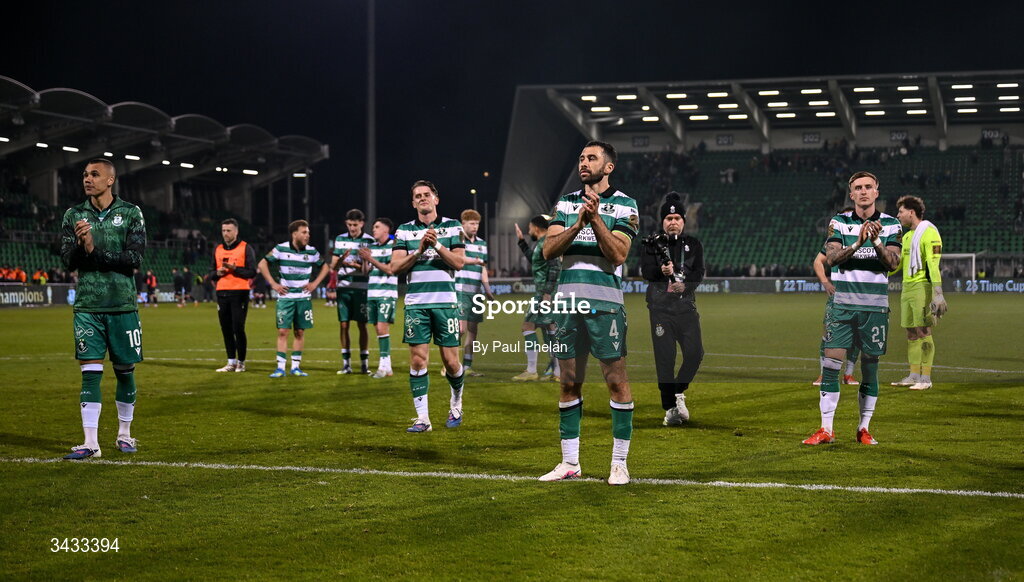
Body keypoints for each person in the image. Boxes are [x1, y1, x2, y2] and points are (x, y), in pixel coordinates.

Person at [539, 140, 639, 485]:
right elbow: (548, 250)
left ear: (608, 167)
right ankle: (570, 463)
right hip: (567, 304)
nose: (584, 162)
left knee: (616, 381)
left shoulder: (625, 205)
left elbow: (619, 255)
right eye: (581, 157)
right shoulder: (566, 203)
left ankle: (619, 464)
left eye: (591, 158)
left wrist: (595, 219)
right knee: (568, 383)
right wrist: (577, 221)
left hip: (606, 304)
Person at [804, 171, 901, 446]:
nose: (863, 191)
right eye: (858, 187)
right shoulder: (839, 222)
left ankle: (863, 429)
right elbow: (832, 259)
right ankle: (826, 429)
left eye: (868, 187)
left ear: (877, 192)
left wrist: (877, 242)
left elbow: (892, 263)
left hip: (875, 309)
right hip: (842, 307)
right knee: (831, 365)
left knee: (870, 369)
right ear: (851, 193)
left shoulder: (892, 225)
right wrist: (858, 242)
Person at [58, 158, 146, 459]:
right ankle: (91, 443)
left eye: (94, 174)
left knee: (124, 372)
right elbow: (67, 260)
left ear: (111, 180)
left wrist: (95, 249)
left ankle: (125, 434)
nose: (87, 179)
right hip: (88, 306)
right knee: (90, 373)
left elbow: (134, 259)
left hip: (122, 305)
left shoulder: (131, 213)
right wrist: (82, 246)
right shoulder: (74, 215)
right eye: (84, 174)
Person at [390, 180, 467, 432]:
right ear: (413, 202)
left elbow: (458, 262)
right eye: (417, 196)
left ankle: (456, 402)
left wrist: (436, 245)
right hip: (416, 305)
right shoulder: (403, 231)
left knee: (451, 362)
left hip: (445, 304)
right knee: (418, 360)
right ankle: (423, 419)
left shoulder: (452, 226)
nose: (422, 198)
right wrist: (419, 250)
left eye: (427, 194)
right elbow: (395, 267)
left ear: (436, 199)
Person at [639, 192, 705, 427]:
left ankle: (678, 392)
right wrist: (661, 273)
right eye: (669, 218)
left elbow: (698, 273)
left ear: (684, 221)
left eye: (677, 217)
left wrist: (685, 286)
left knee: (695, 354)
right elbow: (646, 272)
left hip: (686, 309)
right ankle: (670, 409)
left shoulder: (694, 245)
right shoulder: (651, 244)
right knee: (665, 360)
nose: (673, 221)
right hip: (661, 310)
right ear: (662, 221)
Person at [258, 220, 330, 377]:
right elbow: (262, 264)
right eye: (304, 232)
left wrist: (315, 283)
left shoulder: (311, 252)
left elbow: (325, 266)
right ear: (294, 234)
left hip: (303, 298)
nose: (307, 235)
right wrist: (273, 284)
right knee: (283, 331)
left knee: (299, 332)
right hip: (286, 298)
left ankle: (296, 367)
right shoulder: (281, 248)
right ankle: (280, 368)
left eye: (308, 232)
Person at [891, 195, 947, 390]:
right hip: (906, 289)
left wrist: (937, 292)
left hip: (922, 287)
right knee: (911, 332)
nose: (898, 216)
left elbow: (933, 264)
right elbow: (898, 266)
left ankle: (926, 379)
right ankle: (914, 375)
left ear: (911, 212)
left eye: (900, 212)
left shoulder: (929, 233)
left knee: (923, 331)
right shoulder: (906, 237)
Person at [811, 208, 859, 387]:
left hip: (858, 294)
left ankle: (849, 375)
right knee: (828, 334)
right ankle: (823, 375)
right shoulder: (834, 241)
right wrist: (825, 282)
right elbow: (817, 261)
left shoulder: (866, 241)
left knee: (857, 337)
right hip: (838, 295)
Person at [512, 215, 561, 382]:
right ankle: (558, 372)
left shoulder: (547, 241)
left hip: (544, 294)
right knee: (550, 328)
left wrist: (547, 293)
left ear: (536, 228)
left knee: (528, 325)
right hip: (548, 293)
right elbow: (537, 262)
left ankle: (532, 370)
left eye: (529, 228)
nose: (528, 231)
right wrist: (521, 242)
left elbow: (555, 268)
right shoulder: (544, 242)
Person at [330, 209, 375, 374]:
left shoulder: (369, 241)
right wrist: (342, 259)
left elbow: (367, 270)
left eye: (355, 225)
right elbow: (333, 267)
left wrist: (355, 264)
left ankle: (364, 364)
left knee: (362, 325)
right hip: (343, 288)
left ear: (362, 223)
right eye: (349, 224)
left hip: (362, 289)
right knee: (343, 325)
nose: (352, 228)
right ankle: (346, 364)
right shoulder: (340, 239)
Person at [211, 219, 258, 372]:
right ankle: (231, 362)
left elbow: (252, 272)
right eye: (223, 230)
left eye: (229, 230)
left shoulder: (245, 248)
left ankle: (241, 362)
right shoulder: (218, 249)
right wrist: (217, 273)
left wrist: (234, 268)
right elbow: (211, 272)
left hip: (240, 292)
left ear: (236, 232)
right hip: (222, 292)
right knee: (226, 328)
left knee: (238, 327)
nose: (226, 233)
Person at [455, 209, 494, 377]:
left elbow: (482, 268)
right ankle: (452, 364)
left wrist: (488, 290)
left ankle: (467, 366)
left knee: (473, 330)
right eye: (471, 223)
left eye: (477, 223)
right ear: (463, 223)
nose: (475, 226)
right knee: (460, 329)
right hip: (461, 289)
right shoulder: (457, 241)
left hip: (476, 292)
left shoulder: (482, 244)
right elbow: (458, 261)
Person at [357, 218, 398, 378]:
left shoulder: (394, 247)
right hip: (372, 293)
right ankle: (387, 368)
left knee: (382, 328)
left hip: (386, 294)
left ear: (386, 230)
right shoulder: (372, 247)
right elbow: (366, 272)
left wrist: (371, 259)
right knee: (378, 329)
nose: (373, 230)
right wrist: (365, 261)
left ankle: (383, 367)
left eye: (377, 227)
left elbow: (390, 270)